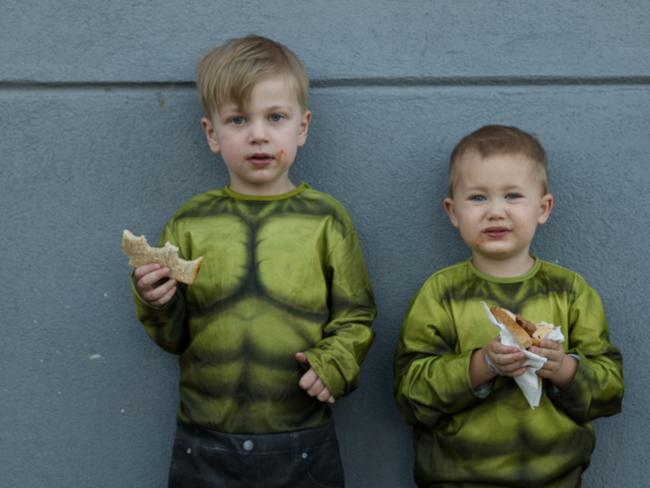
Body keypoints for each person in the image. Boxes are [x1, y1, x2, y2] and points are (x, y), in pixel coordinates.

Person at [130, 35, 376, 487]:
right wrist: (157, 301)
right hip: (203, 440)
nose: (258, 134)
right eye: (238, 119)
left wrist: (336, 363)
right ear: (211, 134)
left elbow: (356, 316)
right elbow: (173, 337)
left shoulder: (326, 219)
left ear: (302, 127)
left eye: (275, 117)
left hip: (302, 438)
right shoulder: (189, 222)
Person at [393, 125, 623, 487]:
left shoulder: (570, 292)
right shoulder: (441, 293)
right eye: (478, 198)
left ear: (543, 208)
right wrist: (481, 364)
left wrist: (563, 368)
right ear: (453, 212)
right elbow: (410, 395)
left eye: (513, 196)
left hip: (556, 478)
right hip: (457, 478)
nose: (495, 212)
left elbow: (610, 390)